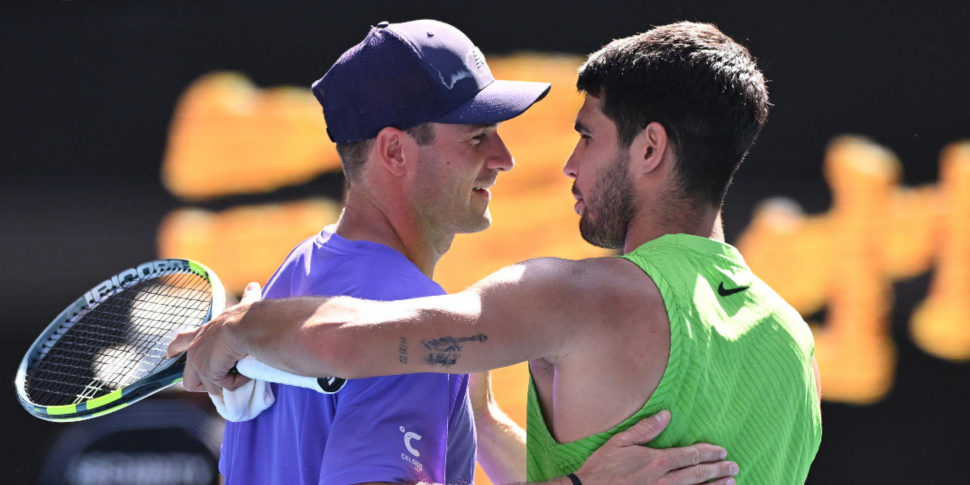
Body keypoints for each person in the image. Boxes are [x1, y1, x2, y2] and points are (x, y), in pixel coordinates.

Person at [171, 21, 802, 485]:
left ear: (650, 149)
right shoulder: (794, 347)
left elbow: (344, 343)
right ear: (394, 151)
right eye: (478, 136)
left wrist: (244, 325)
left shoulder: (297, 279)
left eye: (585, 137)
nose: (525, 160)